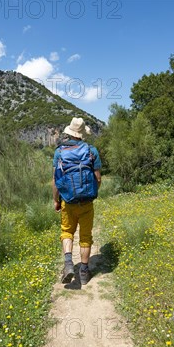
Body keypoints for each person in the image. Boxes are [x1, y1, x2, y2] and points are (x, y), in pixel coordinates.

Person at [52, 117, 102, 285]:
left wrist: (56, 201)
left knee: (67, 232)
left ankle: (68, 264)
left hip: (68, 201)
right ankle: (84, 272)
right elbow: (98, 178)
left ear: (69, 132)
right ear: (82, 133)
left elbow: (55, 180)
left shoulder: (59, 152)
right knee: (85, 236)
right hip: (87, 202)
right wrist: (92, 192)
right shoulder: (91, 150)